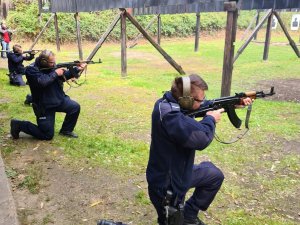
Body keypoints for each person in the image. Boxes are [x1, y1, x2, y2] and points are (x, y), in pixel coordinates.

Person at [146, 74, 253, 225]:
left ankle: (189, 214)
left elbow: (203, 106)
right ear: (186, 100)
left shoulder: (173, 103)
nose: (203, 102)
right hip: (167, 186)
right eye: (199, 99)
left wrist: (232, 104)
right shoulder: (170, 115)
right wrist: (210, 119)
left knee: (214, 176)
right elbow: (201, 138)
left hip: (181, 173)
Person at [10, 49, 86, 140]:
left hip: (58, 99)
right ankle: (19, 125)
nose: (53, 64)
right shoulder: (31, 70)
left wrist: (77, 69)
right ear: (43, 61)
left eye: (54, 62)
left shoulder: (51, 67)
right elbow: (42, 82)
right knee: (47, 135)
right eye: (51, 62)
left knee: (75, 107)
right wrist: (55, 73)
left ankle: (66, 130)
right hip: (44, 106)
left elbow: (64, 76)